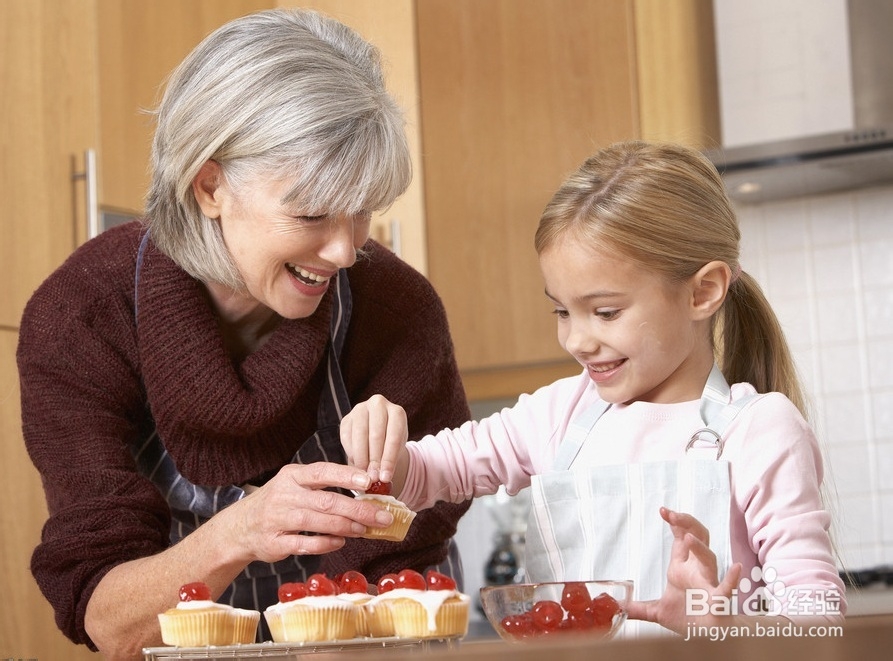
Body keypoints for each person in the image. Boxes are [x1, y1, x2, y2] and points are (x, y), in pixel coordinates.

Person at [17, 9, 471, 659]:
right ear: (210, 185)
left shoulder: (393, 309)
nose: (345, 250)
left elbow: (416, 569)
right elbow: (112, 624)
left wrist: (401, 474)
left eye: (364, 207)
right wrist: (244, 530)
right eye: (311, 212)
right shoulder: (83, 316)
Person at [341, 141, 847, 637]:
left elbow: (819, 620)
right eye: (562, 311)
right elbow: (436, 470)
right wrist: (385, 448)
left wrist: (724, 630)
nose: (577, 340)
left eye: (606, 312)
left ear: (703, 291)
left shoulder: (758, 430)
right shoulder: (561, 414)